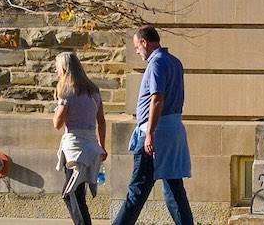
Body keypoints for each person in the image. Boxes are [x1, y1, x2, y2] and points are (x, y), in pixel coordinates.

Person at [110, 26, 193, 225]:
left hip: (156, 132)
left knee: (137, 189)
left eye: (137, 46)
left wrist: (149, 133)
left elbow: (157, 98)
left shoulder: (156, 63)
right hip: (173, 130)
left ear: (144, 42)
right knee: (174, 189)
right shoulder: (174, 62)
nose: (137, 51)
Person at [53, 51, 109, 225]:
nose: (56, 72)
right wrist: (102, 145)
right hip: (91, 146)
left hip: (75, 148)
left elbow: (57, 123)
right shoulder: (93, 90)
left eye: (57, 68)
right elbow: (101, 120)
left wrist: (57, 108)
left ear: (64, 68)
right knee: (71, 194)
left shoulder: (66, 91)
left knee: (73, 194)